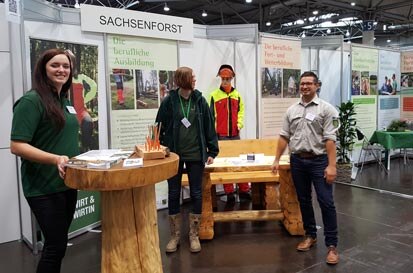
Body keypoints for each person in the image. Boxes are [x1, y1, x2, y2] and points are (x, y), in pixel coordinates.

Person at [10, 49, 79, 273]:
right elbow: (17, 145)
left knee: (57, 245)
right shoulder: (31, 101)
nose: (61, 70)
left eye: (66, 66)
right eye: (55, 65)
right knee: (55, 246)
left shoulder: (65, 100)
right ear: (43, 68)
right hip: (42, 187)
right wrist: (55, 158)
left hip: (66, 183)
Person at [271, 71, 340, 265]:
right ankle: (310, 235)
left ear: (317, 85)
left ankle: (332, 246)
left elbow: (330, 140)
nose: (304, 87)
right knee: (303, 200)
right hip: (297, 161)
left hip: (319, 161)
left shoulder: (327, 110)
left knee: (326, 202)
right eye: (302, 84)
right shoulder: (291, 110)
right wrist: (277, 159)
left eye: (309, 83)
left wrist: (332, 166)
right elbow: (284, 136)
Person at [155, 66, 219, 253]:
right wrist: (160, 148)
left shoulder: (199, 100)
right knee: (173, 192)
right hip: (174, 155)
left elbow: (209, 125)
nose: (195, 79)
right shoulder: (169, 102)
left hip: (195, 154)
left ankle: (193, 234)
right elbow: (159, 125)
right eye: (192, 77)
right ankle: (174, 236)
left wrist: (212, 151)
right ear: (183, 79)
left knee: (196, 193)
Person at [209, 64, 250, 204]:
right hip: (221, 135)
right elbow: (211, 115)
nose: (225, 81)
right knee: (225, 164)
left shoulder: (236, 95)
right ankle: (229, 192)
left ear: (231, 79)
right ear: (220, 79)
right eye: (223, 78)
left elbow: (241, 111)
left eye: (228, 79)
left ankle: (244, 189)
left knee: (239, 162)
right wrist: (213, 131)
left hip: (235, 134)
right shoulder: (214, 96)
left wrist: (239, 124)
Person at [65, 50, 97, 153]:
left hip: (80, 110)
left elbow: (93, 86)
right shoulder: (61, 78)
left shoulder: (81, 77)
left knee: (88, 122)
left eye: (70, 61)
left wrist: (85, 99)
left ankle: (85, 147)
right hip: (66, 110)